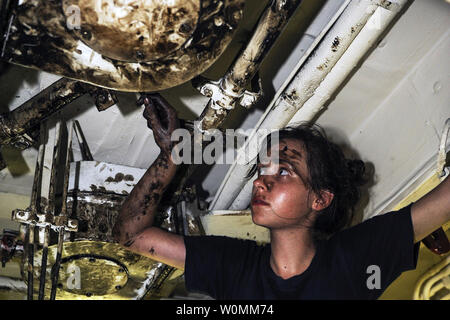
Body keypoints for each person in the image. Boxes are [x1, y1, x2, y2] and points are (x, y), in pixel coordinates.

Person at [112, 94, 450, 300]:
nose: (260, 183)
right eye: (262, 170)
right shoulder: (233, 266)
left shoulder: (354, 259)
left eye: (283, 171)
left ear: (320, 199)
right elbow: (131, 234)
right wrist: (172, 153)